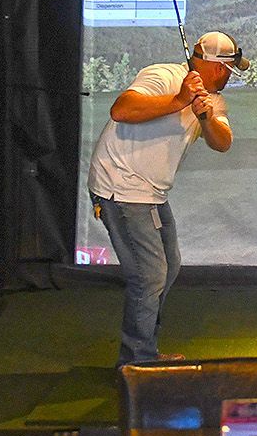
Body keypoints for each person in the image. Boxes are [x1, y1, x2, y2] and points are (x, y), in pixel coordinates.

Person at [88, 31, 246, 365]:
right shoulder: (164, 76)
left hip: (151, 191)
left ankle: (145, 350)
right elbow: (121, 109)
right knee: (150, 274)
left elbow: (222, 142)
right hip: (120, 184)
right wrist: (179, 101)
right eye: (230, 69)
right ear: (217, 67)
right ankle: (137, 362)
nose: (230, 76)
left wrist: (203, 115)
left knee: (169, 267)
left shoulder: (211, 99)